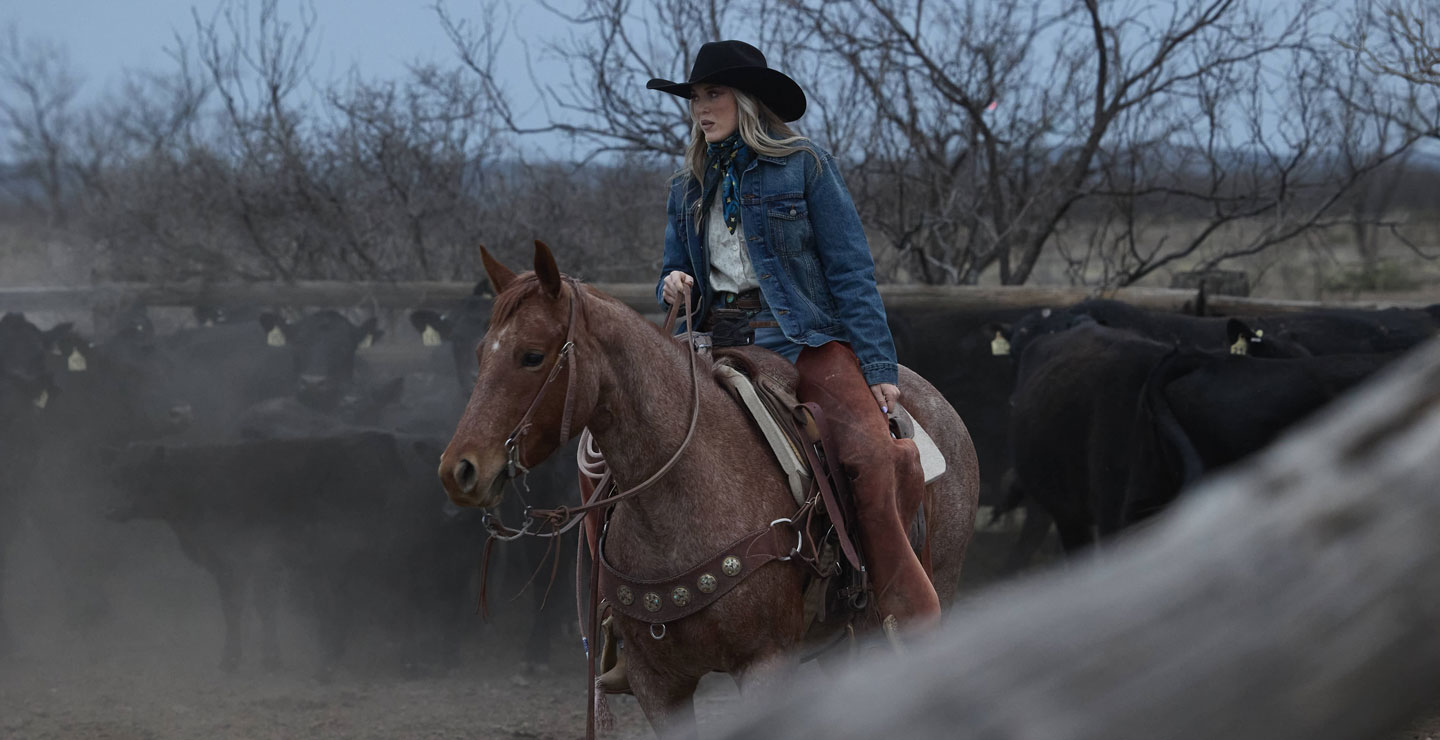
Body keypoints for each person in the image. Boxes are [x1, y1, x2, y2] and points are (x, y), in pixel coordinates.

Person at [648, 41, 940, 635]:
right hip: (714, 338)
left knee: (868, 452)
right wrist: (671, 282)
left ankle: (890, 604)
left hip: (799, 338)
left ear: (746, 100)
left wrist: (879, 367)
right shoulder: (688, 186)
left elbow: (850, 270)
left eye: (713, 94)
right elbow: (672, 269)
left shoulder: (805, 164)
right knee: (620, 446)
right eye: (696, 98)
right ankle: (629, 625)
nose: (701, 109)